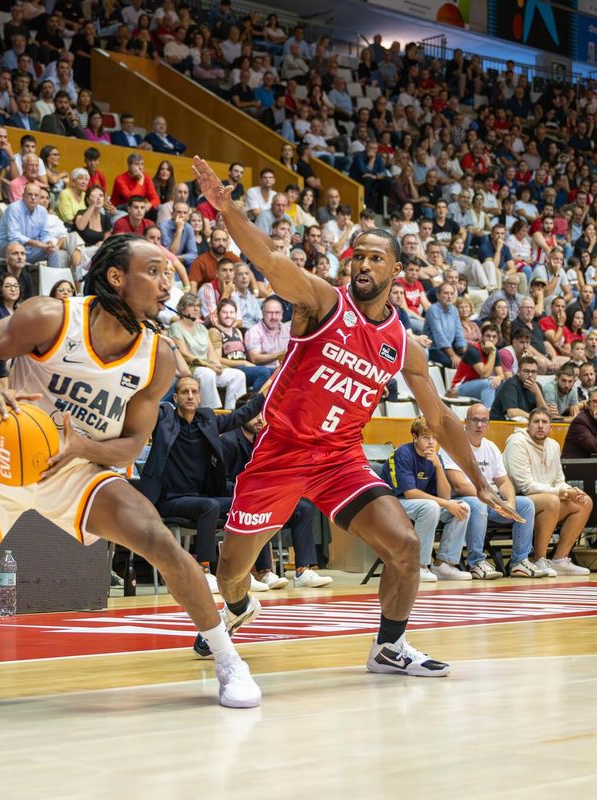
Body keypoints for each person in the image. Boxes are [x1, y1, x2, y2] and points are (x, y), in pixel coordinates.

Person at [0, 234, 261, 708]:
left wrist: (82, 446)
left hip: (79, 468)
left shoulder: (160, 357)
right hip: (4, 456)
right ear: (116, 276)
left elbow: (131, 442)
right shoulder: (52, 316)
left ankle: (228, 658)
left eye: (169, 273)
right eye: (153, 270)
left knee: (160, 540)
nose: (166, 281)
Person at [191, 156, 519, 676]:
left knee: (406, 545)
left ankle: (389, 646)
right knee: (233, 572)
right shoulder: (322, 302)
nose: (363, 265)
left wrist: (479, 484)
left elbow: (439, 419)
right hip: (281, 451)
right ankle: (236, 609)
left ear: (395, 270)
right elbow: (273, 263)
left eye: (374, 259)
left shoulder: (402, 345)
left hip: (340, 458)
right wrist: (227, 209)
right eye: (356, 257)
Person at [139, 375, 266, 590]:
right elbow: (145, 405)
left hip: (200, 497)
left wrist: (271, 386)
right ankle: (203, 570)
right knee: (211, 506)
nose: (190, 396)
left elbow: (241, 414)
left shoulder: (207, 421)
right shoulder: (164, 419)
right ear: (176, 397)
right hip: (170, 499)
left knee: (249, 503)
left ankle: (257, 571)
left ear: (200, 397)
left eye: (194, 392)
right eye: (185, 392)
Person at [221, 392, 332, 588]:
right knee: (259, 506)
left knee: (303, 509)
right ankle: (264, 572)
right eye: (254, 414)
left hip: (265, 496)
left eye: (261, 414)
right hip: (235, 500)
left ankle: (303, 571)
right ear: (241, 414)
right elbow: (221, 482)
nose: (259, 419)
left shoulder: (266, 439)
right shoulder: (228, 441)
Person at [445, 404, 543, 577]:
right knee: (478, 504)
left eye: (484, 421)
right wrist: (492, 498)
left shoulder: (491, 447)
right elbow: (458, 484)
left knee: (526, 505)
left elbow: (504, 482)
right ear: (466, 422)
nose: (479, 425)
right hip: (465, 499)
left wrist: (510, 503)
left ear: (489, 424)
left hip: (492, 500)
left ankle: (520, 561)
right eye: (475, 420)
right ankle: (476, 562)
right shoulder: (453, 445)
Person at [502, 408, 593, 575]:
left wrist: (570, 490)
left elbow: (559, 479)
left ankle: (559, 559)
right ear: (528, 426)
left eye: (544, 423)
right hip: (517, 500)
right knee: (552, 501)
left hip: (548, 498)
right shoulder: (516, 442)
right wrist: (562, 492)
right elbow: (525, 486)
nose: (540, 426)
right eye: (536, 422)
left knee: (584, 501)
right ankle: (539, 559)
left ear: (551, 428)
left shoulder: (553, 445)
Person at [382, 417, 472, 582]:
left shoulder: (436, 458)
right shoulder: (403, 454)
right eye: (425, 437)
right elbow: (410, 493)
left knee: (463, 507)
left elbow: (445, 496)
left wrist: (438, 467)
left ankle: (444, 564)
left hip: (423, 504)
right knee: (431, 507)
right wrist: (445, 504)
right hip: (393, 502)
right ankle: (418, 566)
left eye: (434, 437)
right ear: (415, 437)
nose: (431, 442)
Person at [562, 386, 597, 458]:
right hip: (577, 466)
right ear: (588, 404)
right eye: (596, 402)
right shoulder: (580, 421)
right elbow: (596, 449)